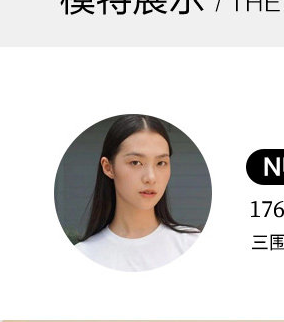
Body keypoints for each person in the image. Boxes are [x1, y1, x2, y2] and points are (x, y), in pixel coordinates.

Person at [76, 114, 202, 272]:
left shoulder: (191, 243)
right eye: (135, 162)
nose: (151, 177)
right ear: (108, 167)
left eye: (161, 163)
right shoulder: (85, 254)